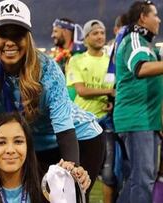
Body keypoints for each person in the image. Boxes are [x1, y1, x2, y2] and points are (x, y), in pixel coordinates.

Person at [0, 0, 103, 199]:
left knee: (70, 196)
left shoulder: (48, 71)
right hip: (35, 142)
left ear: (28, 38)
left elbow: (64, 128)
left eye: (17, 34)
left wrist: (73, 168)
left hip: (79, 136)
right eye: (3, 34)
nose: (9, 42)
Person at [0, 112, 91, 203]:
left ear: (28, 146)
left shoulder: (49, 182)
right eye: (1, 143)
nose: (10, 150)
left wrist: (72, 180)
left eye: (18, 141)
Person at [113, 1, 162, 203]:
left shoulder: (148, 45)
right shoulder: (134, 39)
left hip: (148, 120)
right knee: (143, 179)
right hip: (136, 118)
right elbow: (140, 69)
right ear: (143, 17)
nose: (158, 20)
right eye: (155, 15)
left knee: (141, 178)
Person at [69, 19, 117, 203]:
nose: (100, 36)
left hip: (105, 122)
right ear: (86, 38)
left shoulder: (110, 62)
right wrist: (108, 91)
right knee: (81, 175)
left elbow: (113, 90)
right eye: (95, 33)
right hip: (83, 128)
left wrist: (111, 101)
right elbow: (81, 90)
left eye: (102, 33)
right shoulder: (77, 60)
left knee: (108, 172)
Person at [50, 18, 86, 100]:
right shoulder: (56, 57)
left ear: (66, 32)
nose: (52, 35)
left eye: (55, 31)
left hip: (77, 106)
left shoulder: (80, 55)